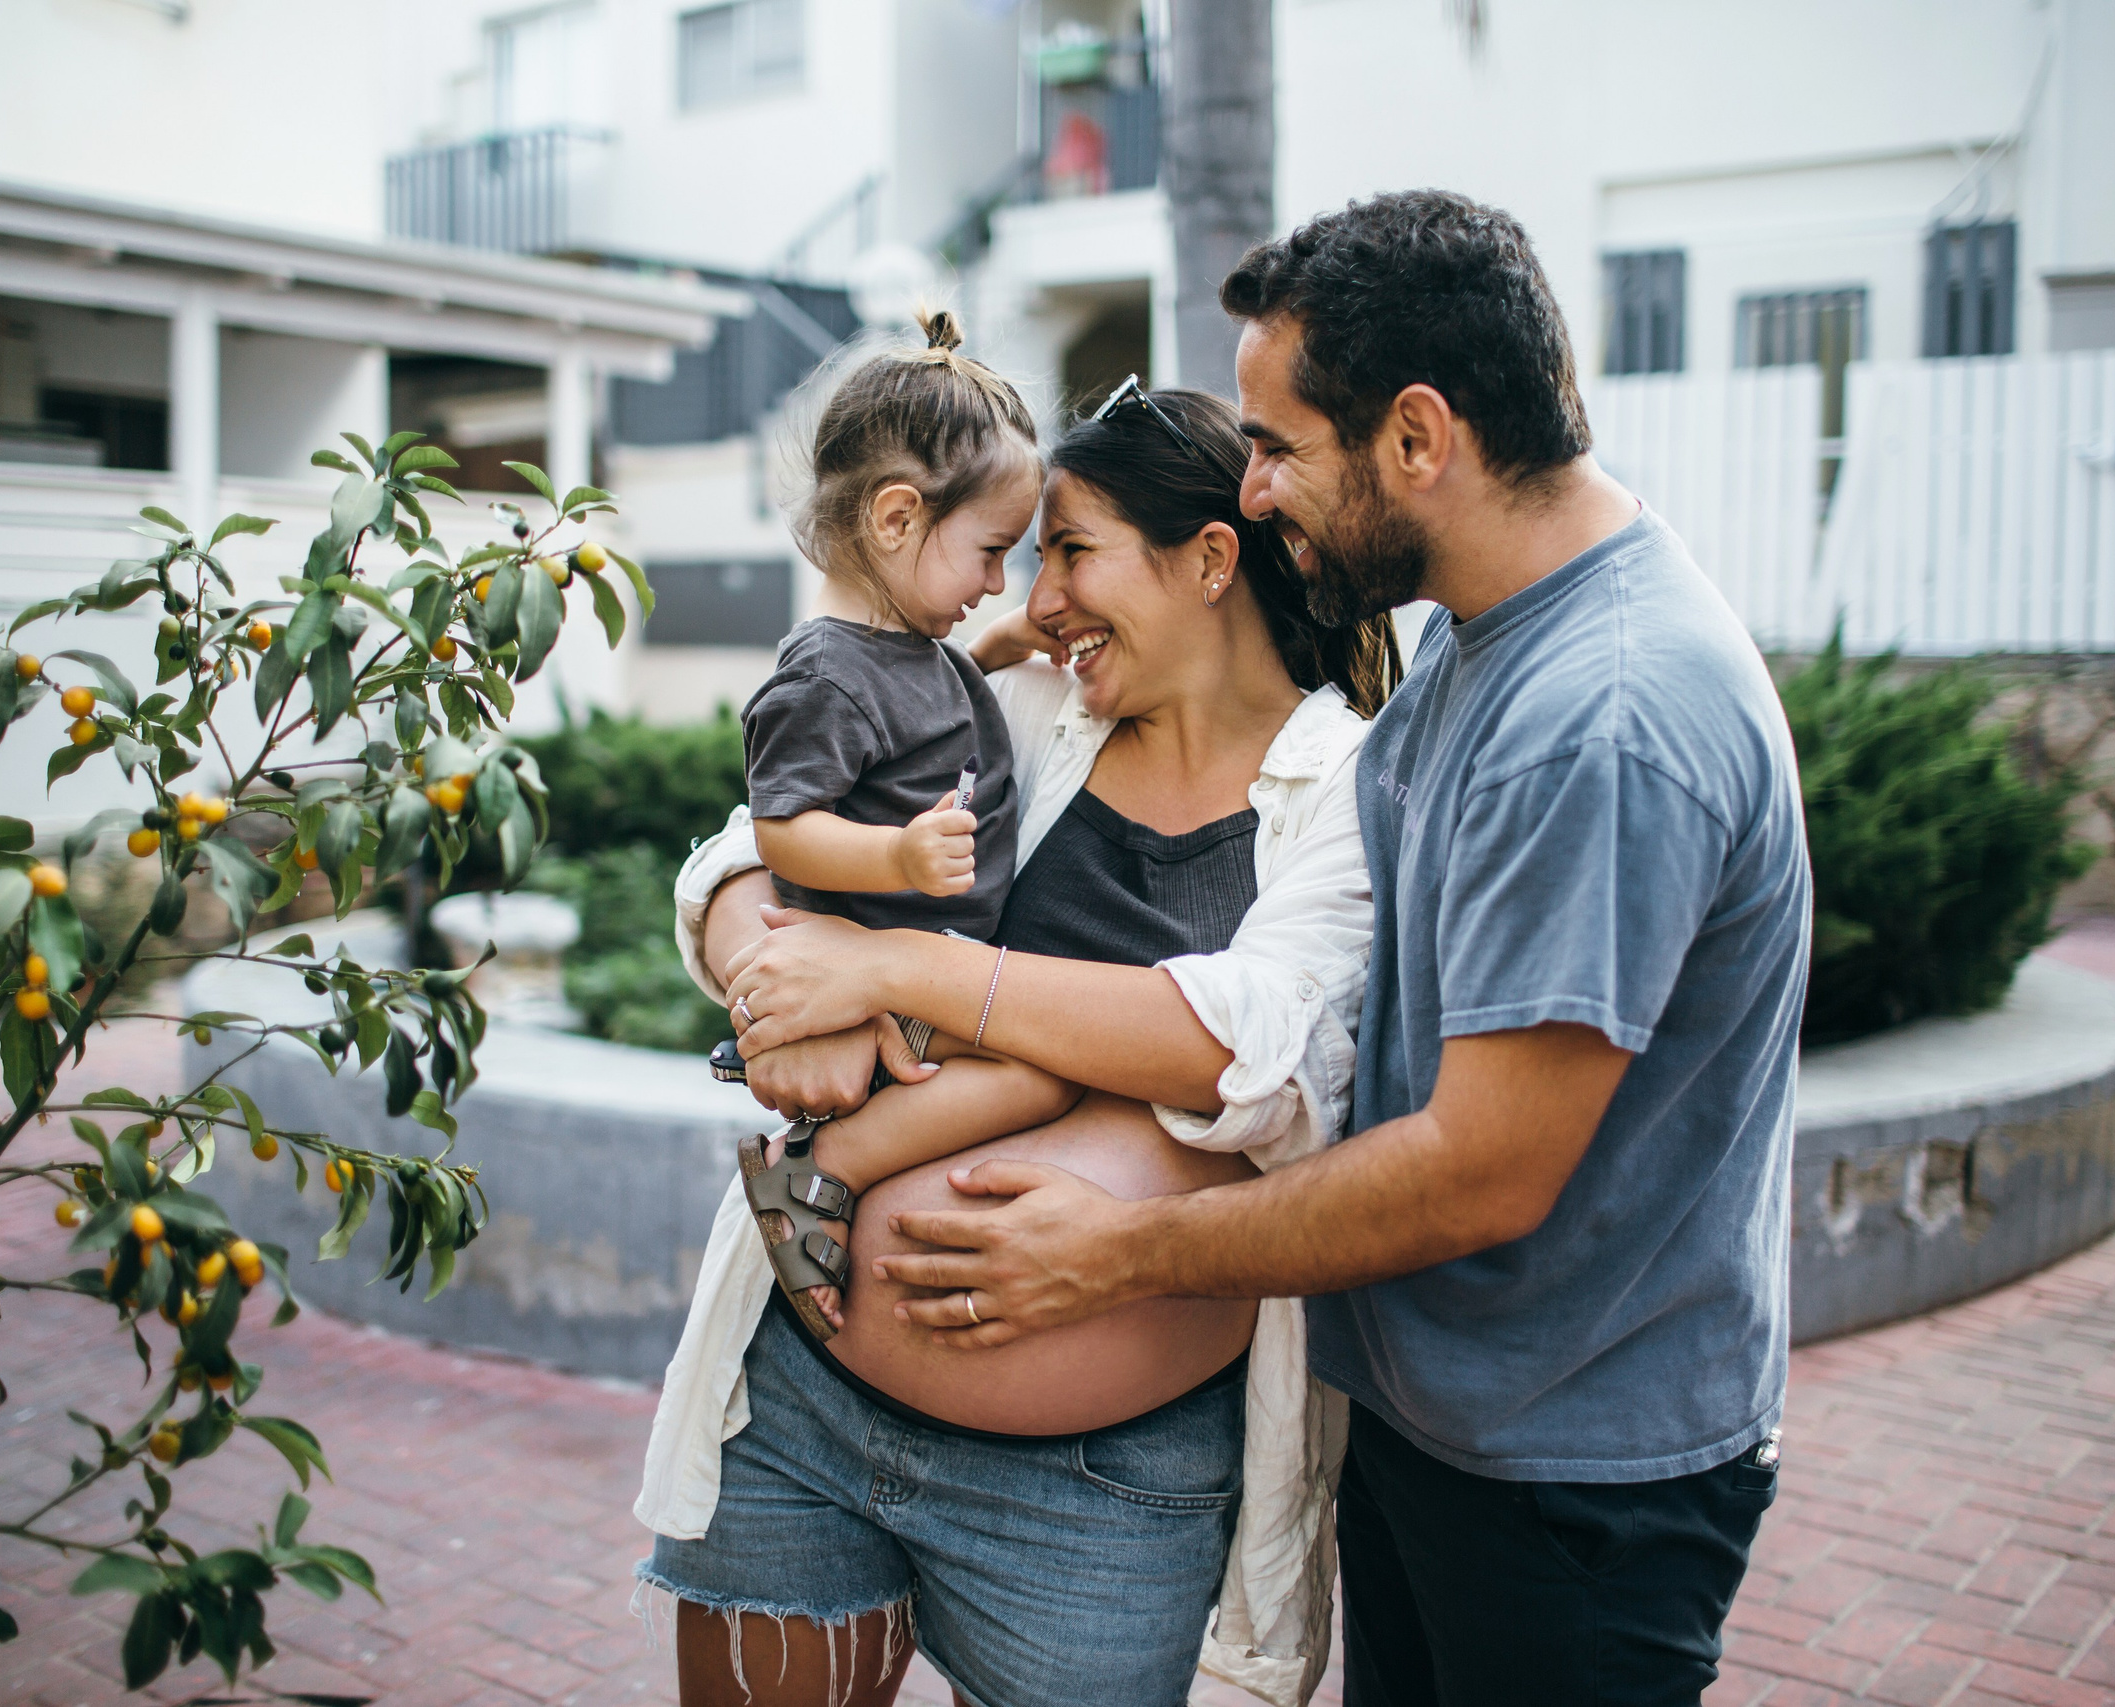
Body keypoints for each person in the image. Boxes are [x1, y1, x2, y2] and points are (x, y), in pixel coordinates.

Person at [742, 192, 1813, 1705]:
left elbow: (1481, 1167)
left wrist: (1114, 1251)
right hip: (1437, 1427)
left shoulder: (1605, 717)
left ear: (1418, 437)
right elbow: (790, 813)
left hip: (1573, 1474)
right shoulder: (1480, 644)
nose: (1252, 492)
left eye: (1277, 446)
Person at [637, 380, 1400, 1707]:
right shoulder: (1037, 713)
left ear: (1210, 560)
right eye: (1026, 555)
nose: (1036, 600)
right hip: (805, 1406)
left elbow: (1261, 1046)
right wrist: (780, 986)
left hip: (1098, 1494)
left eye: (1071, 551)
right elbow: (751, 840)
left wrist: (894, 967)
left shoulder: (1349, 784)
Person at [731, 309, 1077, 1337]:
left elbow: (926, 706)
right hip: (885, 969)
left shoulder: (902, 649)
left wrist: (1002, 645)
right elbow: (782, 825)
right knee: (1041, 1071)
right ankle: (817, 1173)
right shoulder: (824, 674)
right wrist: (896, 854)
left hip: (921, 968)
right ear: (895, 519)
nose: (997, 582)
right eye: (990, 552)